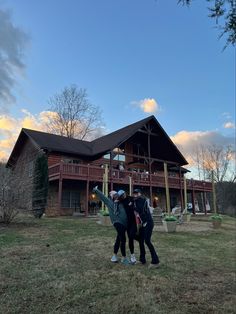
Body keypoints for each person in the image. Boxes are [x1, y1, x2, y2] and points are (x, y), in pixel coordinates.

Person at [93, 186, 130, 265]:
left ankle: (114, 256)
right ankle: (124, 258)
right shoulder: (111, 203)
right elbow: (103, 197)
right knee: (123, 240)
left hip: (124, 225)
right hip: (118, 223)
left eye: (117, 195)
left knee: (118, 239)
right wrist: (96, 190)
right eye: (114, 196)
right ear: (112, 197)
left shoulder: (122, 203)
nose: (116, 197)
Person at [133, 188, 160, 269]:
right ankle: (142, 259)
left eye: (137, 193)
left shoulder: (143, 200)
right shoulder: (135, 201)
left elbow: (140, 210)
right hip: (143, 223)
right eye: (134, 193)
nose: (135, 194)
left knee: (147, 241)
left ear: (140, 194)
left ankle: (155, 261)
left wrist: (133, 206)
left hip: (148, 223)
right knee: (140, 240)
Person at [117, 190, 137, 264]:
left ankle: (132, 255)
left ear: (125, 193)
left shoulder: (131, 198)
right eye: (121, 196)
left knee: (131, 236)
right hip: (126, 222)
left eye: (123, 194)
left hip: (133, 221)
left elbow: (135, 201)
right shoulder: (121, 202)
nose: (123, 196)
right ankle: (126, 256)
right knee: (124, 239)